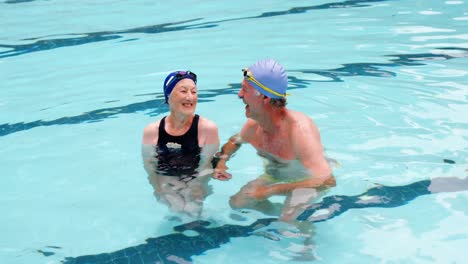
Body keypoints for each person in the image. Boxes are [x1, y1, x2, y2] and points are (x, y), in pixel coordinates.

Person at [213, 59, 336, 222]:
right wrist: (221, 162)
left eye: (245, 89)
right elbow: (234, 142)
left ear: (264, 97)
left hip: (307, 181)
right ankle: (283, 215)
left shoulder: (299, 132)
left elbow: (326, 180)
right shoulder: (254, 126)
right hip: (275, 176)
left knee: (286, 222)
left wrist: (272, 190)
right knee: (237, 203)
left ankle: (305, 235)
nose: (239, 94)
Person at [142, 70, 219, 218]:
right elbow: (150, 167)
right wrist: (160, 188)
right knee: (176, 209)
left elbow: (207, 166)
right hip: (167, 180)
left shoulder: (208, 129)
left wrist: (194, 187)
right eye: (183, 91)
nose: (190, 97)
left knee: (192, 210)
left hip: (196, 180)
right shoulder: (152, 131)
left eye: (194, 92)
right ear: (168, 97)